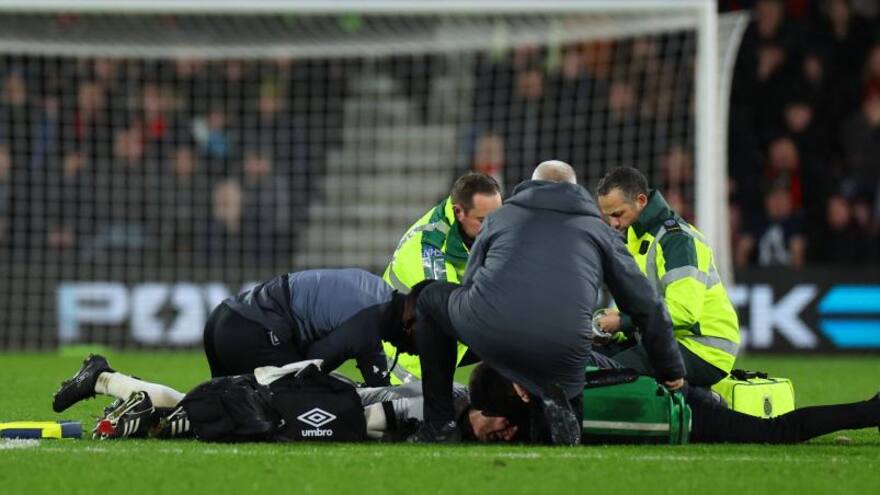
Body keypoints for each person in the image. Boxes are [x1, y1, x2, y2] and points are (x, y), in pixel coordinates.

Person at [410, 160, 685, 443]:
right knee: (560, 390)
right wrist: (670, 369)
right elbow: (647, 306)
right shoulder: (600, 232)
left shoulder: (499, 218)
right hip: (564, 348)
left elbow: (471, 285)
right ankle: (551, 409)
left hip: (493, 329)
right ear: (577, 190)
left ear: (531, 185)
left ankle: (439, 424)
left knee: (429, 298)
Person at [52, 268, 428, 413]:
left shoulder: (375, 293)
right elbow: (310, 368)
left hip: (231, 320)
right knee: (283, 407)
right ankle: (108, 382)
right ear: (411, 322)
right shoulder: (373, 316)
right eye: (423, 338)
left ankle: (107, 381)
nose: (417, 348)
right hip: (253, 329)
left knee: (206, 410)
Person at [50, 355, 518, 443]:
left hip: (311, 391)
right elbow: (371, 417)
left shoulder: (454, 402)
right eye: (503, 423)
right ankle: (104, 379)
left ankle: (103, 379)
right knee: (205, 414)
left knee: (195, 408)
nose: (506, 433)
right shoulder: (438, 406)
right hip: (309, 400)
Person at [467, 362, 880, 445]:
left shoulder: (555, 401)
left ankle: (870, 411)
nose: (505, 430)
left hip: (676, 406)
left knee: (775, 434)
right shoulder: (555, 365)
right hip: (670, 397)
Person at [595, 167, 741, 387]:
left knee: (604, 374)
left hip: (704, 348)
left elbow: (684, 312)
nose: (613, 224)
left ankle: (702, 400)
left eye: (617, 214)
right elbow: (639, 304)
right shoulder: (636, 238)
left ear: (641, 200)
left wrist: (623, 321)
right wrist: (610, 329)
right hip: (664, 339)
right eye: (608, 217)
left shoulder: (677, 240)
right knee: (584, 359)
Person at [381, 173, 502, 382]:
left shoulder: (469, 230)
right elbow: (455, 318)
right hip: (406, 362)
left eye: (497, 218)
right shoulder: (430, 251)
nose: (493, 227)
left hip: (445, 335)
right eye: (483, 221)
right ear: (459, 212)